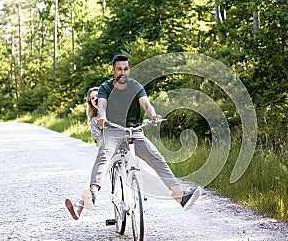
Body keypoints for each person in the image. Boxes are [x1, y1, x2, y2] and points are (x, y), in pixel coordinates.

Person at [65, 54, 201, 220]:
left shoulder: (135, 86)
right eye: (119, 69)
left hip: (134, 131)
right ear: (113, 70)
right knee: (103, 156)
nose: (123, 72)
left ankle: (180, 196)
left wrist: (152, 115)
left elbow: (146, 103)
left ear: (129, 69)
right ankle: (92, 193)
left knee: (156, 158)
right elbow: (102, 104)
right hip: (113, 130)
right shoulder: (105, 87)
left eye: (126, 69)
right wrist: (102, 116)